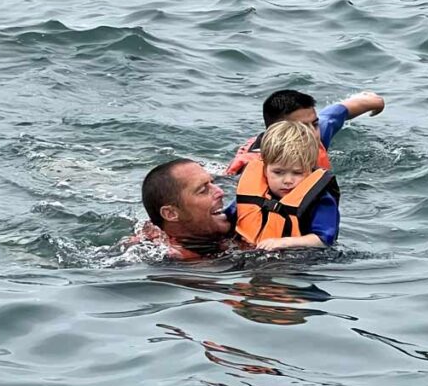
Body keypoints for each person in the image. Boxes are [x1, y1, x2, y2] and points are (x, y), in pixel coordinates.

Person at [225, 88, 384, 176]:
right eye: (301, 128)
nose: (312, 135)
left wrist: (375, 102)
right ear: (277, 132)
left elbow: (336, 113)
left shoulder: (317, 135)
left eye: (314, 124)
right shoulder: (253, 167)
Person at [232, 120, 339, 251]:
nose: (288, 180)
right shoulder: (251, 192)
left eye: (297, 173)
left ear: (310, 170)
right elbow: (226, 219)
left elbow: (324, 240)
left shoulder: (320, 199)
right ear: (265, 169)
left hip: (299, 263)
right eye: (278, 172)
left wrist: (285, 242)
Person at [139, 158, 232, 259]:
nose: (221, 192)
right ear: (171, 213)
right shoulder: (172, 262)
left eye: (212, 183)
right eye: (203, 190)